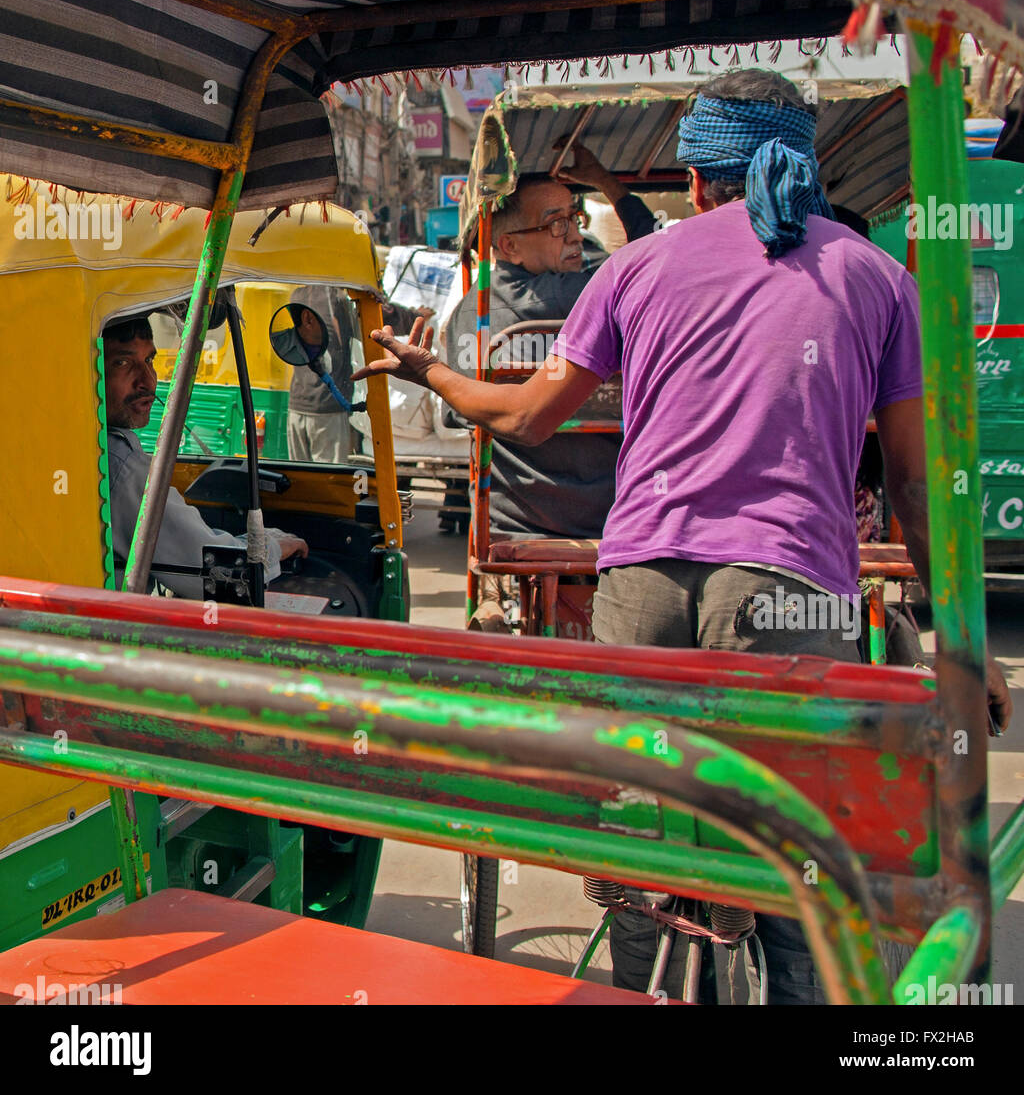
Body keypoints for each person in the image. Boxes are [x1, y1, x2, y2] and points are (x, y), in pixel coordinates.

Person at [352, 68, 1012, 1002]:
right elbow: (910, 482)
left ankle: (633, 980)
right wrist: (966, 645)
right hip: (782, 594)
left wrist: (435, 376)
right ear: (804, 169)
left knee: (644, 839)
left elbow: (532, 416)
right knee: (790, 853)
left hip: (643, 587)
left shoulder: (634, 268)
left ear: (698, 182)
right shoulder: (878, 279)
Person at [445, 142, 657, 542]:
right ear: (509, 245)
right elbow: (655, 254)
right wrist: (607, 184)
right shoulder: (593, 293)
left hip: (509, 519)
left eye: (575, 219)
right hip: (616, 514)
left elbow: (456, 415)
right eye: (557, 224)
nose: (575, 236)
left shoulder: (472, 312)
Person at [104, 315, 307, 600]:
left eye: (149, 361)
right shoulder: (116, 462)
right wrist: (269, 548)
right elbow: (212, 573)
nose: (148, 381)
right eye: (123, 363)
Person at [286, 286, 358, 464]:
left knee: (301, 478)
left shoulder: (297, 295)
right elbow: (348, 336)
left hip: (297, 403)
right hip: (328, 406)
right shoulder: (335, 298)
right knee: (329, 478)